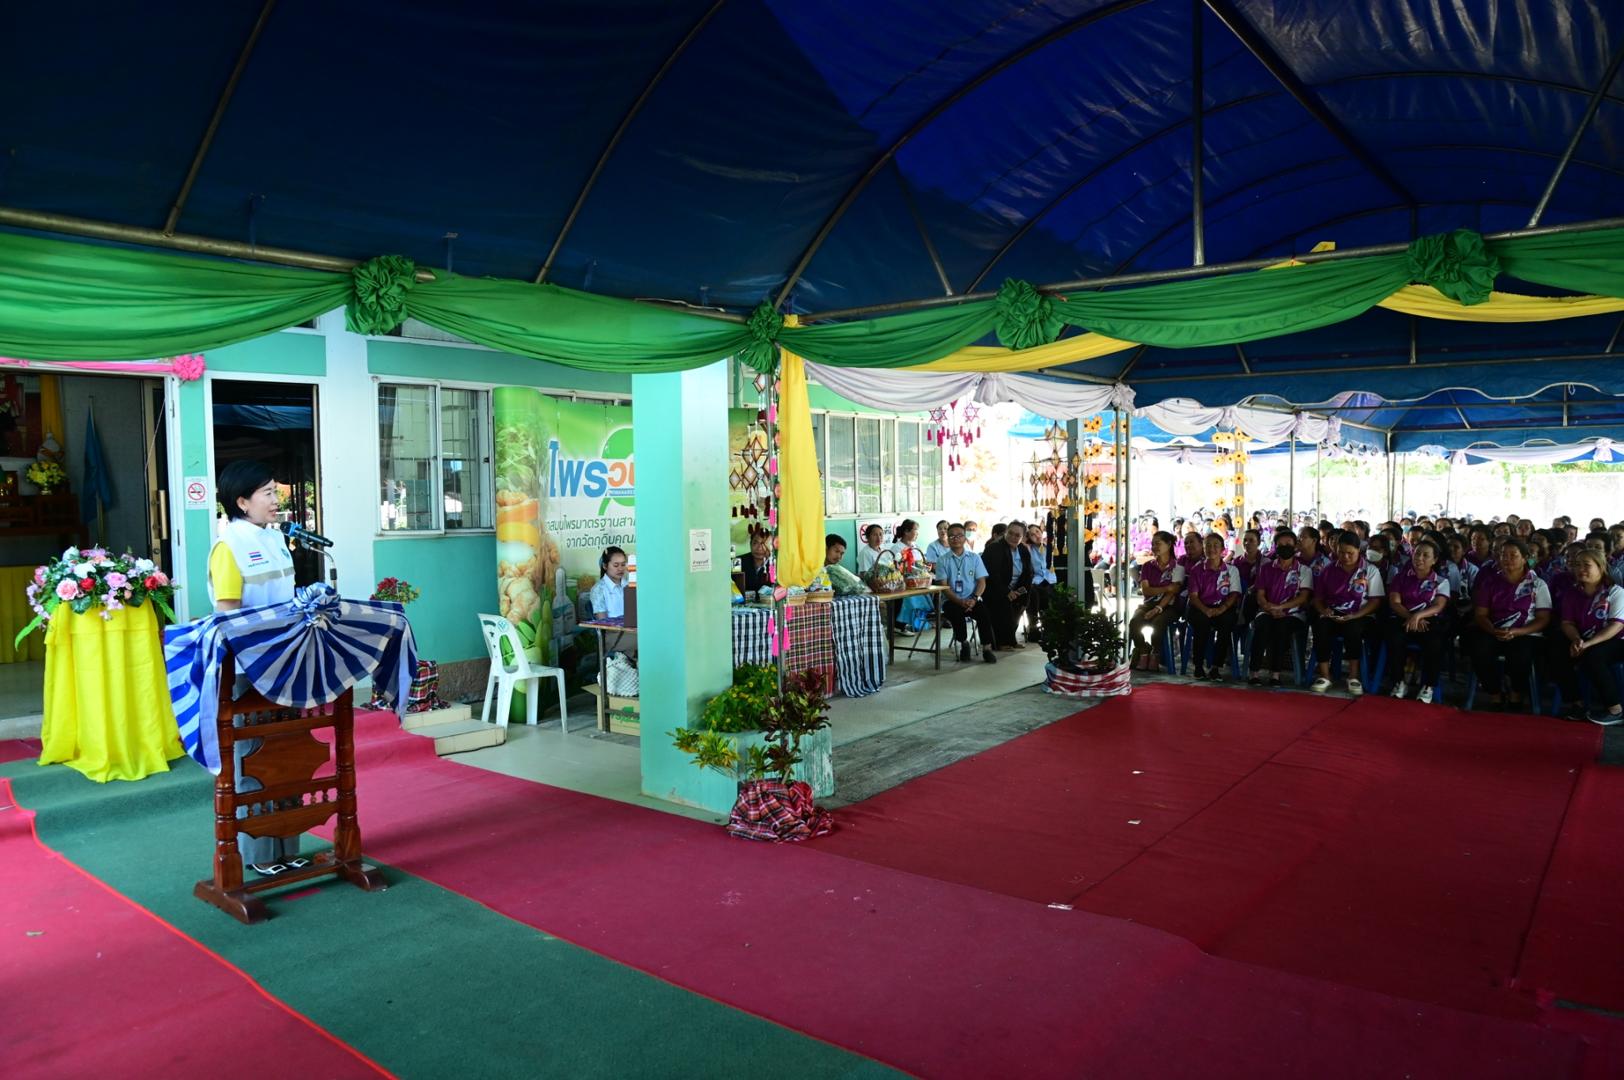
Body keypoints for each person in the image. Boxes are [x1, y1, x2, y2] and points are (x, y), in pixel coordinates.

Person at [209, 459, 303, 878]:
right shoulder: (228, 546)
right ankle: (260, 853)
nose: (275, 499)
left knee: (290, 754)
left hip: (288, 661)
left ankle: (288, 844)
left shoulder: (276, 538)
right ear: (242, 501)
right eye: (267, 492)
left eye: (275, 491)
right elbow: (228, 614)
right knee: (255, 759)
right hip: (250, 669)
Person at [1467, 537, 1551, 711]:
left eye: (1513, 555)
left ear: (1525, 558)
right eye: (1503, 555)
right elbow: (1481, 614)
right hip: (1493, 630)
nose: (1507, 559)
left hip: (1525, 633)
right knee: (1478, 649)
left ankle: (1516, 695)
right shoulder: (1490, 582)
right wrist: (1493, 630)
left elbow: (1543, 618)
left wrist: (1517, 632)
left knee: (1521, 655)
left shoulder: (1537, 584)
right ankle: (1495, 694)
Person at [1552, 549, 1624, 725]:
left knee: (1593, 656)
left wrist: (1587, 644)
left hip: (1615, 640)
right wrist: (1576, 640)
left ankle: (1615, 710)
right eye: (1577, 565)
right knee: (1556, 648)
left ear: (1601, 567)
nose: (1580, 569)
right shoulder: (1572, 593)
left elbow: (1616, 626)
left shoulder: (1615, 592)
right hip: (1584, 637)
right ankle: (1576, 703)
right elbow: (1567, 623)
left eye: (1586, 565)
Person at [1310, 531, 1385, 695]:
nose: (1345, 557)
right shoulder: (1328, 570)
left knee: (1353, 628)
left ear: (1359, 550)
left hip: (1361, 614)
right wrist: (1324, 611)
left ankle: (1353, 676)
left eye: (1350, 553)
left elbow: (1375, 602)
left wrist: (1355, 615)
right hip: (1334, 612)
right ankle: (1325, 675)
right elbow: (1318, 599)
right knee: (1320, 626)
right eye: (1341, 552)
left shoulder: (1370, 570)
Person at [1380, 538, 1450, 702]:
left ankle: (1428, 685)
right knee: (1394, 639)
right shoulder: (1400, 577)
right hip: (1403, 617)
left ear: (1434, 560)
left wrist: (1418, 616)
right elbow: (1395, 602)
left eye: (1426, 555)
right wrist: (1410, 617)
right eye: (1417, 553)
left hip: (1428, 620)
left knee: (1435, 643)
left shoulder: (1441, 581)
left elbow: (1438, 606)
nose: (1420, 558)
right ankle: (1399, 682)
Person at [1249, 529, 1312, 686]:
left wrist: (1281, 607)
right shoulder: (1266, 568)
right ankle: (1254, 672)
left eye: (1288, 544)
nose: (1285, 547)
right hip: (1267, 610)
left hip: (1293, 614)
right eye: (1280, 544)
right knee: (1262, 626)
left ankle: (1275, 674)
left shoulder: (1304, 570)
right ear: (1275, 547)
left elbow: (1303, 597)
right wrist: (1268, 607)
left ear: (1295, 546)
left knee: (1282, 628)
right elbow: (1260, 594)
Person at [933, 524, 996, 664]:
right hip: (951, 600)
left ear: (964, 538)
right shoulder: (942, 560)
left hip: (972, 599)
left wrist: (974, 599)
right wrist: (959, 602)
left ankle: (987, 648)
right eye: (951, 536)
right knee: (956, 613)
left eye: (959, 535)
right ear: (948, 538)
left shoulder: (974, 558)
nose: (955, 539)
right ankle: (964, 644)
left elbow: (981, 582)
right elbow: (944, 586)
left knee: (984, 613)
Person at [1186, 533, 1242, 681]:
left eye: (1216, 545)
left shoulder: (1231, 570)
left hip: (1223, 607)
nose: (1211, 549)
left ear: (1223, 549)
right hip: (1200, 607)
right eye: (1208, 546)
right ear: (1203, 549)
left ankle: (1216, 667)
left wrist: (1221, 609)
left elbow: (1234, 594)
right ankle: (1198, 666)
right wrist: (1206, 610)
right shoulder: (1196, 570)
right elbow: (1193, 596)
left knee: (1227, 623)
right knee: (1201, 624)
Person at [1129, 530, 1184, 671]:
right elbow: (1146, 590)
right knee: (1134, 622)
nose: (1154, 547)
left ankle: (1155, 653)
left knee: (1158, 623)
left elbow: (1172, 593)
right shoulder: (1147, 566)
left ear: (1169, 544)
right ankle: (1143, 650)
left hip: (1169, 607)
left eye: (1158, 543)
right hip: (1148, 604)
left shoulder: (1178, 568)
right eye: (1152, 544)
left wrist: (1157, 609)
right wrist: (1167, 587)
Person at [982, 520, 1032, 649]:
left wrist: (1021, 592)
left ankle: (1012, 639)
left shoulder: (1023, 550)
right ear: (1005, 533)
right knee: (1004, 603)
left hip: (1015, 589)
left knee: (1026, 601)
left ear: (1023, 537)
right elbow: (993, 575)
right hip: (994, 589)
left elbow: (1028, 574)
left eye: (1017, 535)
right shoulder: (994, 548)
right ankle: (1000, 642)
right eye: (1010, 533)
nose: (1013, 537)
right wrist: (1007, 592)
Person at [1024, 523, 1059, 639]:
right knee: (1032, 594)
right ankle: (1033, 626)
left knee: (1047, 594)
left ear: (1041, 532)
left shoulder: (1051, 547)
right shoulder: (1029, 549)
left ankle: (1048, 627)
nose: (1036, 536)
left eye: (1037, 532)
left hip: (1052, 580)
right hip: (1037, 581)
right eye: (1032, 535)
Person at [590, 546, 629, 618]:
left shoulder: (629, 585)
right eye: (616, 565)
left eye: (623, 564)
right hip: (612, 625)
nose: (620, 569)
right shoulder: (598, 589)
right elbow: (603, 622)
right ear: (605, 566)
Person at [740, 528, 772, 595]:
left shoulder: (777, 564)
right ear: (750, 544)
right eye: (755, 543)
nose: (759, 548)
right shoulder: (739, 562)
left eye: (764, 544)